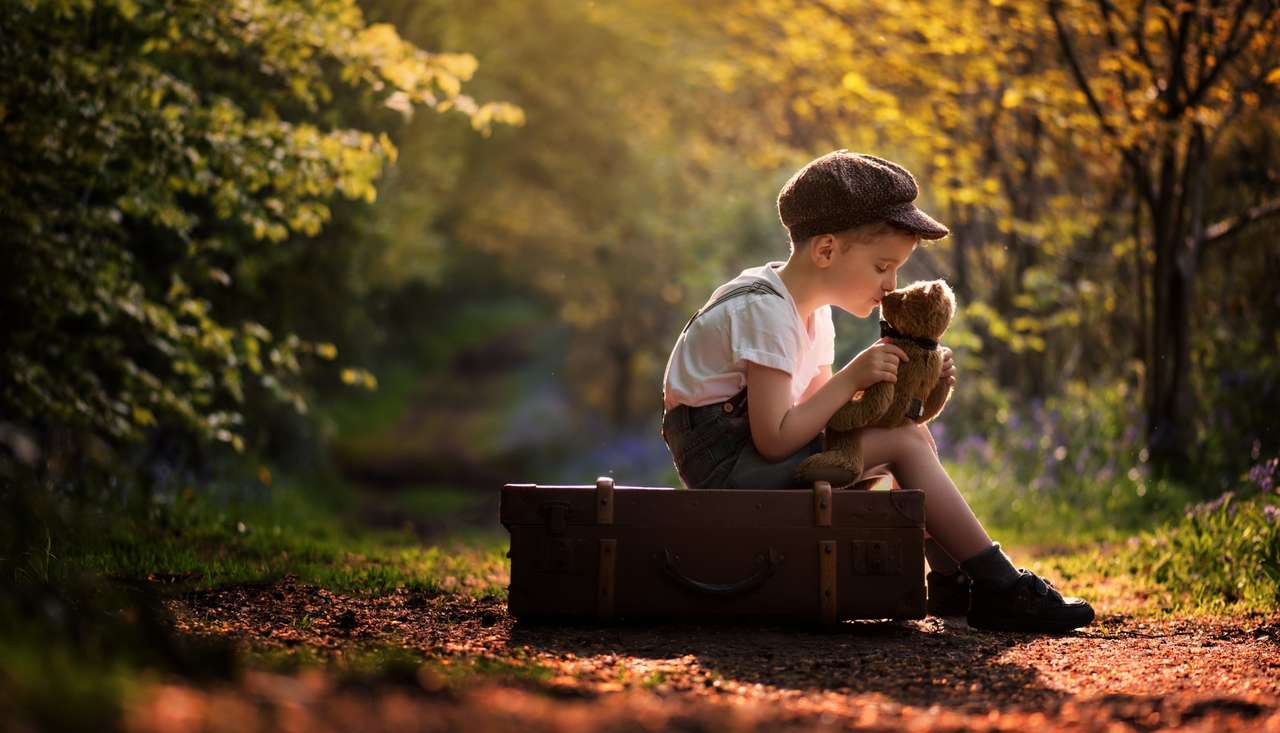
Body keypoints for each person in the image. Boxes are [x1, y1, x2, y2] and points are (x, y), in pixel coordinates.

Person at [659, 150, 1094, 633]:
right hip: (728, 472)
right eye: (882, 267)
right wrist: (852, 377)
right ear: (825, 251)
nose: (891, 286)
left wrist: (917, 396)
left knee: (906, 435)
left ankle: (954, 580)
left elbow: (831, 421)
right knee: (901, 443)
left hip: (750, 459)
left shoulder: (810, 313)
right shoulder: (766, 313)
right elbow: (775, 440)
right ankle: (1001, 586)